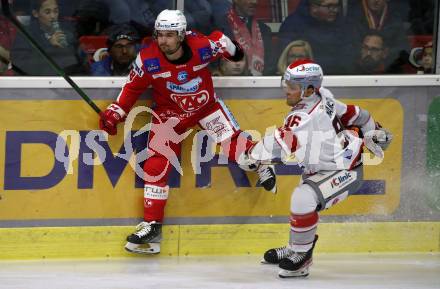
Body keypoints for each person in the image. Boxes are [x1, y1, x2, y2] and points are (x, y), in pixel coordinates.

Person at [98, 9, 277, 254]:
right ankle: (152, 227)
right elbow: (131, 89)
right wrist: (115, 112)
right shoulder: (148, 58)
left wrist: (229, 46)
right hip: (169, 114)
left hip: (206, 108)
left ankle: (262, 162)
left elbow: (234, 53)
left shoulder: (203, 46)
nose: (163, 41)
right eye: (160, 35)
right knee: (155, 164)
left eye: (170, 35)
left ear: (182, 35)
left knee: (235, 145)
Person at [238, 59, 392, 277]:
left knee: (302, 198)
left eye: (292, 87)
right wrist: (374, 130)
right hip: (322, 169)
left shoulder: (302, 116)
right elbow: (354, 114)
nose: (286, 91)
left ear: (309, 89)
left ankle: (302, 257)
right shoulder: (323, 95)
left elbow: (281, 142)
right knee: (302, 201)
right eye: (286, 84)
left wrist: (251, 155)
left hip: (344, 170)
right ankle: (295, 249)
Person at [278, 0, 354, 74]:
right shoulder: (292, 25)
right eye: (330, 6)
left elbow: (349, 58)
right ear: (314, 7)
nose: (335, 10)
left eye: (337, 6)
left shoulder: (344, 25)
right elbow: (286, 58)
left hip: (339, 77)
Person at [11, 0, 83, 75]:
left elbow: (77, 63)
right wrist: (49, 45)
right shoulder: (25, 34)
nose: (53, 16)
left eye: (56, 11)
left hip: (66, 80)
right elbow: (21, 65)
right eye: (47, 12)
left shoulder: (68, 34)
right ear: (35, 14)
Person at [212, 0, 275, 75]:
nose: (254, 2)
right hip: (228, 83)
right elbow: (213, 61)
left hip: (260, 84)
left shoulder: (264, 29)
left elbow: (270, 65)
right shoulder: (218, 26)